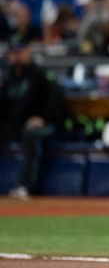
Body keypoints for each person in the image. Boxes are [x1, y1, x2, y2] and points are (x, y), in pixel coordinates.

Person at [2, 41, 64, 199]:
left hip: (44, 125)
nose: (17, 56)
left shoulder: (39, 74)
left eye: (20, 52)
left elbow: (57, 98)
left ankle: (24, 186)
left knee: (32, 133)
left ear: (28, 52)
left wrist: (43, 117)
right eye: (14, 53)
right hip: (15, 125)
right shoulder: (7, 78)